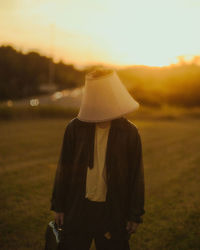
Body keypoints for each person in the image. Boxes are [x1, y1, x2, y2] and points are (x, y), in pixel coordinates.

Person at [50, 69, 145, 250]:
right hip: (78, 207)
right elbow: (64, 168)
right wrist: (59, 206)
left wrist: (134, 214)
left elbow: (136, 176)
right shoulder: (75, 128)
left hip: (113, 210)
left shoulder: (129, 132)